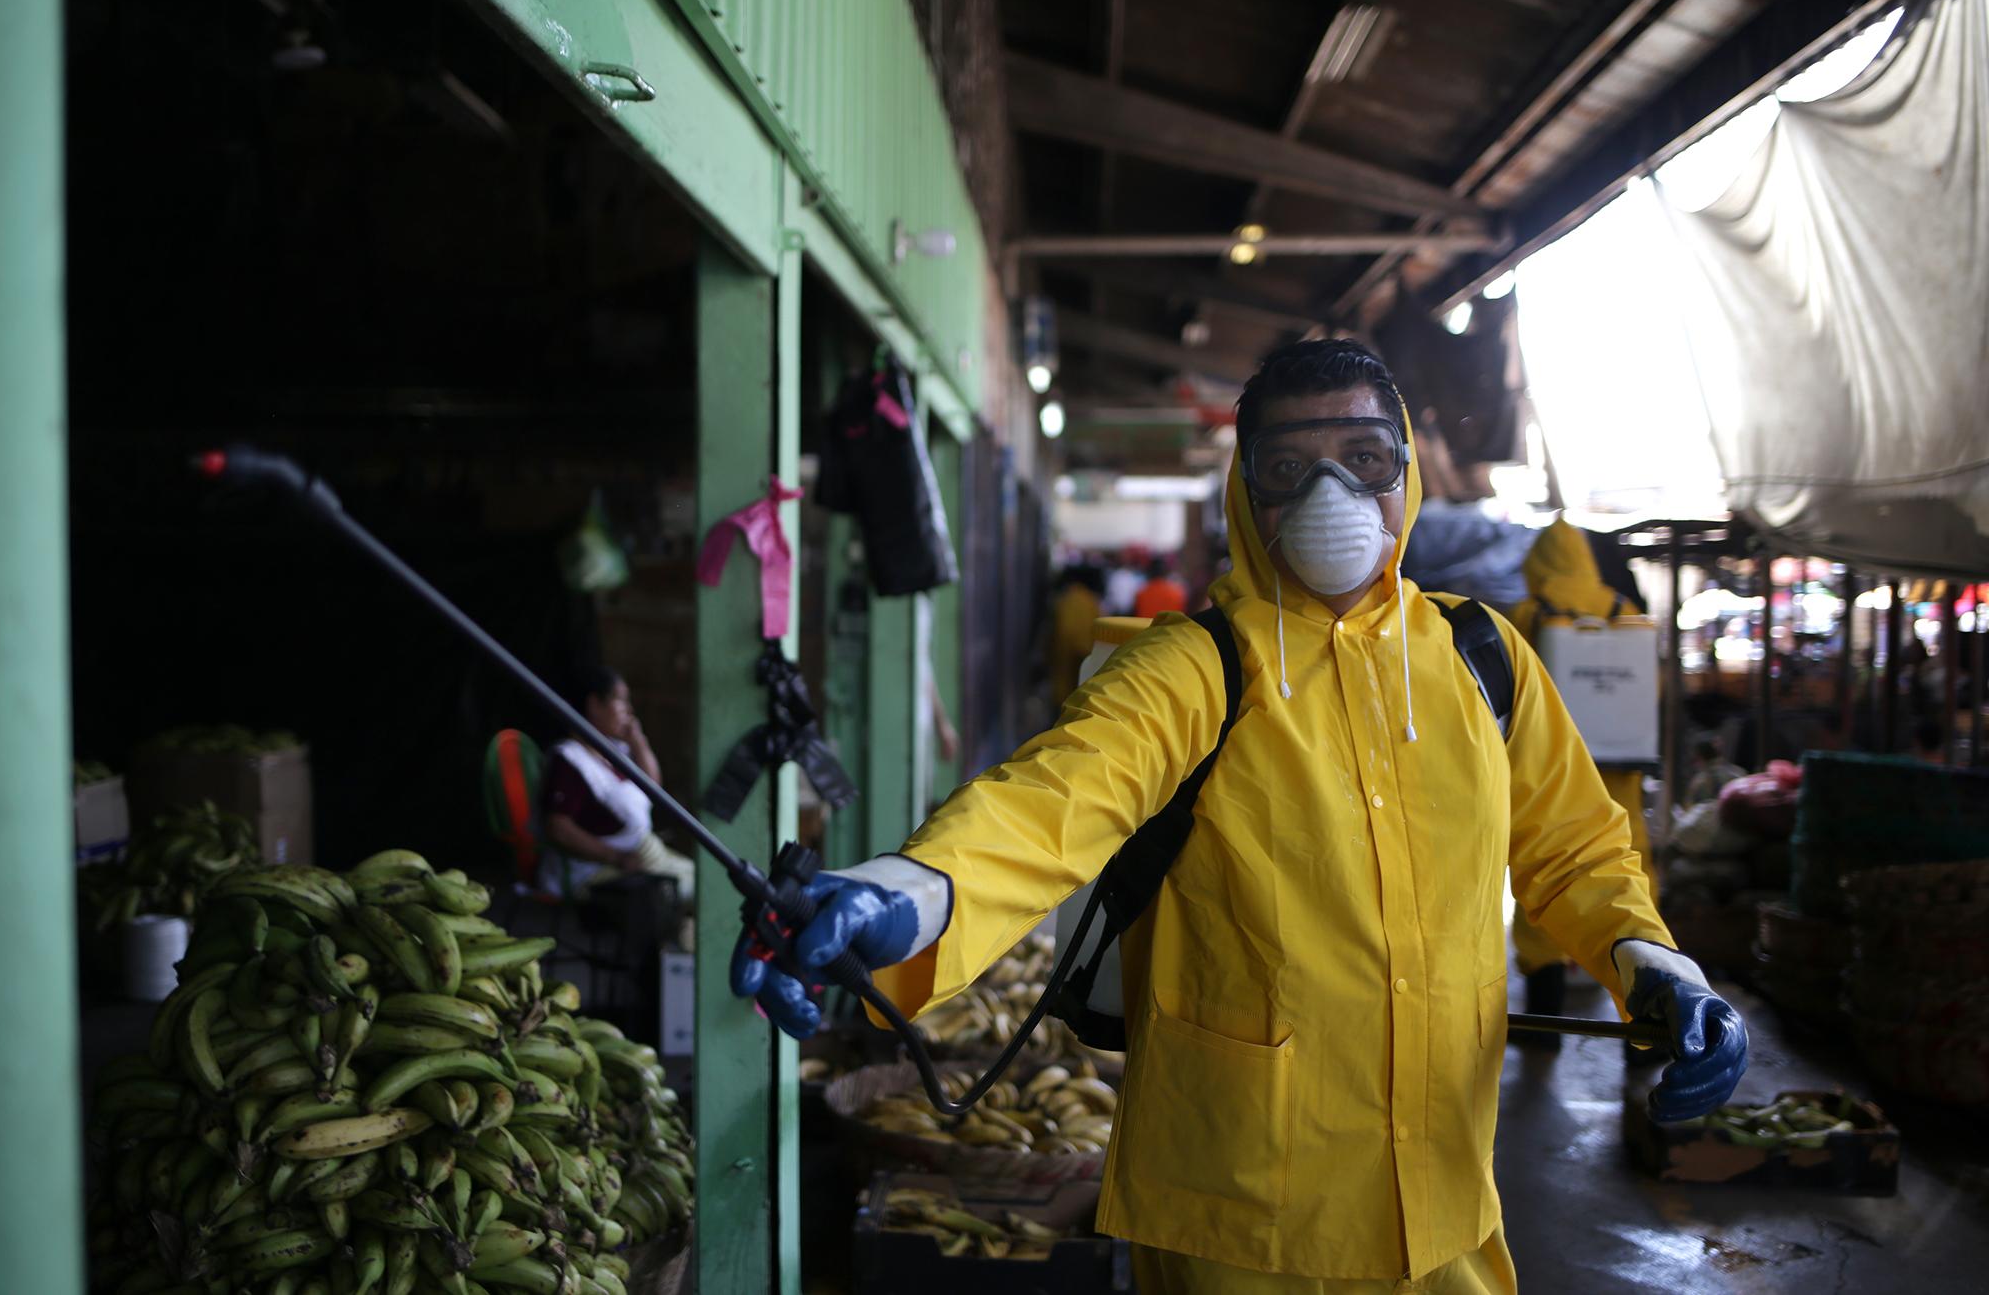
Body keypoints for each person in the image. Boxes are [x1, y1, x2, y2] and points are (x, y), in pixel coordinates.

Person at [734, 340, 1747, 1292]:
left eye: (1362, 458)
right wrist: (904, 893)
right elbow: (1050, 803)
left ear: (1405, 474)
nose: (1331, 496)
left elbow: (1574, 848)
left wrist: (1648, 960)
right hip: (1242, 1215)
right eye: (1287, 468)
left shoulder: (1481, 661)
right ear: (1241, 489)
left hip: (1443, 1202)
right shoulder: (1194, 667)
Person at [1506, 517, 1659, 1036]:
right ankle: (1654, 1025)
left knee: (1544, 876)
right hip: (1618, 773)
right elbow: (1647, 696)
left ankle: (1544, 1024)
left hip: (1551, 773)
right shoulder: (1627, 612)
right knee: (1626, 868)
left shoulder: (1529, 614)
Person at [541, 666, 695, 904]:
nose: (629, 711)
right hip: (595, 871)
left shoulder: (612, 751)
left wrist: (638, 741)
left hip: (644, 853)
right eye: (621, 701)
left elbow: (653, 788)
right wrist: (615, 857)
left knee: (701, 881)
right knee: (680, 894)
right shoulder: (570, 759)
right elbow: (559, 828)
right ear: (594, 705)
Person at [1047, 564, 1106, 708]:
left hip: (1063, 679)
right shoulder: (1083, 601)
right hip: (1076, 682)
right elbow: (1079, 644)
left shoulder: (1067, 599)